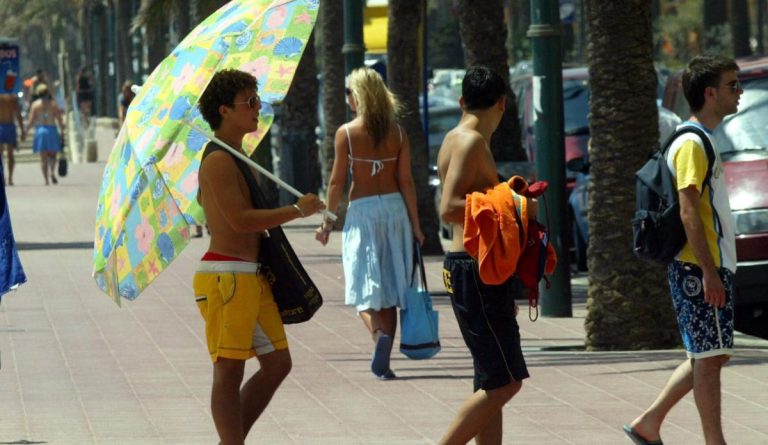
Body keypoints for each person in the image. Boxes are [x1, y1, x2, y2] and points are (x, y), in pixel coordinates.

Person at [193, 68, 325, 445]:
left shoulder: (236, 156)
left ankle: (230, 441)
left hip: (249, 276)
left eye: (257, 100)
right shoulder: (218, 159)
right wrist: (296, 211)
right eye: (249, 102)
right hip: (227, 276)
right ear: (224, 110)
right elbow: (239, 220)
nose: (257, 108)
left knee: (277, 363)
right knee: (229, 370)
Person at [623, 55, 741, 445]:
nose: (738, 92)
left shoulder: (699, 139)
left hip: (704, 265)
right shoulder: (692, 143)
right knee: (709, 359)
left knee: (711, 353)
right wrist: (708, 271)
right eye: (732, 85)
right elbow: (688, 207)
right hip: (697, 267)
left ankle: (649, 423)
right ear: (709, 94)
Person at [436, 66, 537, 445]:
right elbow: (447, 207)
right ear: (502, 103)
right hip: (472, 268)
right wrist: (507, 203)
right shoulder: (470, 141)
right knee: (505, 383)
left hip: (477, 268)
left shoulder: (456, 138)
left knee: (490, 378)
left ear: (462, 101)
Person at [315, 67, 424, 380]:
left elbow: (336, 183)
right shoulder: (398, 133)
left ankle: (379, 336)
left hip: (362, 212)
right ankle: (385, 363)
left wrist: (327, 223)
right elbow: (406, 181)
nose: (347, 98)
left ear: (358, 96)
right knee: (391, 286)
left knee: (361, 285)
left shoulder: (347, 133)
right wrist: (416, 226)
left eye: (349, 92)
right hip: (395, 211)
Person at [26, 84, 64, 185]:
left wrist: (25, 132)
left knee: (43, 158)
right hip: (51, 130)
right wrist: (62, 132)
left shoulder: (35, 105)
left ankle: (46, 180)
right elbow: (59, 120)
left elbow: (31, 121)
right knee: (53, 155)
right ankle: (52, 172)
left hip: (41, 130)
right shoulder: (53, 105)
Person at [0, 94, 25, 185]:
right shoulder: (12, 99)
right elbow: (18, 115)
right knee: (10, 155)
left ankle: (8, 178)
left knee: (5, 155)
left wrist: (22, 130)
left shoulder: (12, 99)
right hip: (9, 126)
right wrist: (22, 130)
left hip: (5, 126)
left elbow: (18, 115)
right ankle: (9, 178)